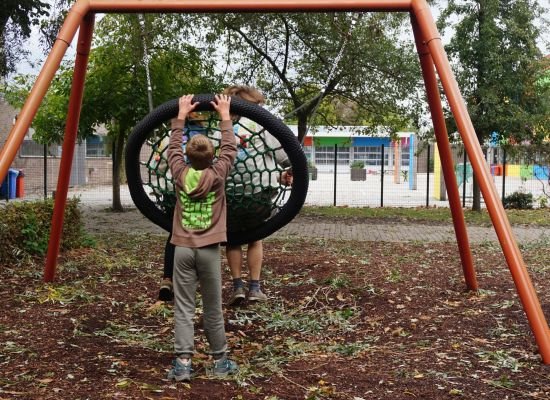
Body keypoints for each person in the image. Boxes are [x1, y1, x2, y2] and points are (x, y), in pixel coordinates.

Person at [165, 94, 238, 382]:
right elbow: (230, 148)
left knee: (183, 307)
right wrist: (224, 115)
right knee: (212, 307)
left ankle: (183, 362)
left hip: (182, 249)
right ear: (212, 157)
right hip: (209, 250)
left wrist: (181, 116)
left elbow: (173, 148)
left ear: (187, 156)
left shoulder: (179, 173)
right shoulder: (218, 174)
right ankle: (220, 360)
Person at [222, 85, 293, 306]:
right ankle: (255, 287)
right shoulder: (259, 125)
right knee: (254, 237)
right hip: (257, 195)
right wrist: (286, 170)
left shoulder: (220, 128)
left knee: (232, 240)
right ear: (250, 105)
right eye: (259, 105)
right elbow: (284, 156)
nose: (262, 109)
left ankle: (237, 287)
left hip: (228, 196)